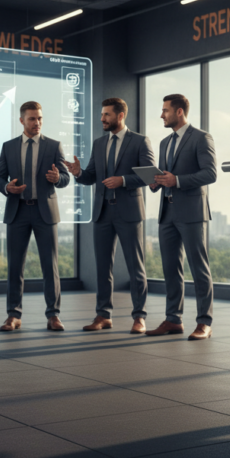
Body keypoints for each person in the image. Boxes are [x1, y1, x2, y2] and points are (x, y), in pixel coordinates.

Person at [65, 98, 155, 334]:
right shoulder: (99, 143)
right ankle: (103, 315)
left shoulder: (140, 141)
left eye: (107, 115)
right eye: (102, 114)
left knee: (136, 267)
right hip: (103, 212)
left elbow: (150, 176)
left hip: (129, 212)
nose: (102, 119)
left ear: (120, 115)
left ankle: (139, 317)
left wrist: (123, 180)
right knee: (103, 268)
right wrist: (78, 173)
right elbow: (92, 176)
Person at [0, 101, 71, 332]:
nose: (37, 123)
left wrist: (58, 179)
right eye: (32, 119)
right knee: (15, 267)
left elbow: (65, 178)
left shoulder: (54, 146)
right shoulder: (8, 147)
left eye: (39, 118)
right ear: (22, 121)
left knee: (50, 266)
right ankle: (13, 315)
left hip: (44, 211)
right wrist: (7, 188)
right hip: (17, 211)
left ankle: (53, 315)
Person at [145, 94, 218, 340]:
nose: (161, 115)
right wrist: (157, 182)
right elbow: (167, 174)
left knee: (199, 268)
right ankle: (173, 319)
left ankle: (204, 323)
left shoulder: (201, 138)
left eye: (165, 110)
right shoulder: (165, 143)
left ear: (179, 112)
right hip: (167, 212)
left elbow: (210, 173)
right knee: (170, 268)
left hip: (192, 212)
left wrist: (177, 180)